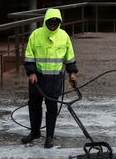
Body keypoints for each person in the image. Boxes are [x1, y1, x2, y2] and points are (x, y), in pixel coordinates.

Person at [22, 8, 77, 148]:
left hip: (54, 80)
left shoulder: (64, 36)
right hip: (37, 79)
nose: (53, 24)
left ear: (59, 22)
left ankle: (49, 137)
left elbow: (69, 57)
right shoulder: (36, 35)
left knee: (52, 108)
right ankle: (35, 132)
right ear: (45, 21)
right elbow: (29, 55)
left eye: (55, 22)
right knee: (34, 106)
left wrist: (72, 73)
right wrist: (31, 72)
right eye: (50, 22)